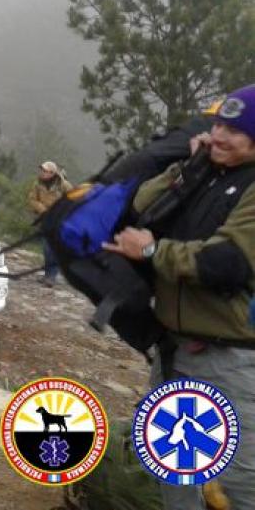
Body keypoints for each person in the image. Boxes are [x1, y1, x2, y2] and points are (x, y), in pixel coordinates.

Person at [104, 84, 255, 510]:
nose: (219, 135)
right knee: (177, 472)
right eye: (219, 124)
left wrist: (153, 251)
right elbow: (142, 204)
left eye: (235, 131)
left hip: (230, 359)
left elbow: (229, 261)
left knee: (238, 485)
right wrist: (190, 167)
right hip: (175, 351)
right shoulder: (208, 172)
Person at [27, 161, 72, 287]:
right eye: (42, 170)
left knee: (52, 248)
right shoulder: (37, 183)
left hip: (59, 220)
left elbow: (73, 199)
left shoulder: (64, 185)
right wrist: (43, 210)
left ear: (52, 173)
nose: (42, 172)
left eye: (45, 171)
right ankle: (48, 275)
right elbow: (32, 199)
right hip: (45, 219)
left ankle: (51, 276)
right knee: (46, 248)